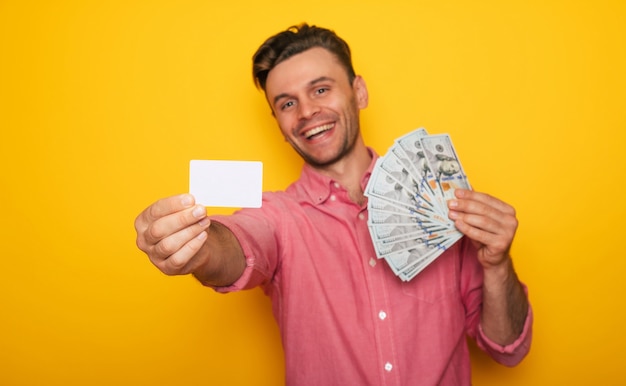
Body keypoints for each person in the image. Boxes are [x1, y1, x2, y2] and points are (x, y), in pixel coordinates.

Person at [134, 23, 533, 385]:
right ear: (278, 124)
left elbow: (507, 348)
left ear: (359, 91)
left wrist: (497, 264)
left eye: (321, 89)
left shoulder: (443, 204)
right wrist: (197, 247)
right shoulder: (279, 218)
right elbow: (238, 244)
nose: (307, 112)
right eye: (287, 103)